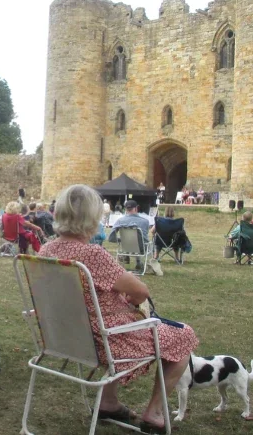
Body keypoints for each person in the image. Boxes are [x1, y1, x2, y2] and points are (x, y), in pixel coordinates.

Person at [39, 184, 197, 431]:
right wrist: (130, 302)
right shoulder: (92, 255)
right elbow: (141, 292)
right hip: (103, 341)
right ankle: (154, 412)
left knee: (112, 320)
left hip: (63, 335)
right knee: (183, 336)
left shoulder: (46, 250)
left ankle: (109, 402)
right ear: (92, 218)